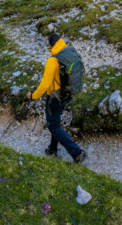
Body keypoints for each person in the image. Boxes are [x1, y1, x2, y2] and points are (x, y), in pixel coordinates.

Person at [28, 32, 86, 163]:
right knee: (55, 124)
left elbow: (45, 85)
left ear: (51, 46)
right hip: (66, 94)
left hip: (54, 97)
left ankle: (77, 153)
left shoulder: (53, 61)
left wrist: (33, 96)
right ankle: (52, 149)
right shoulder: (69, 52)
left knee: (53, 126)